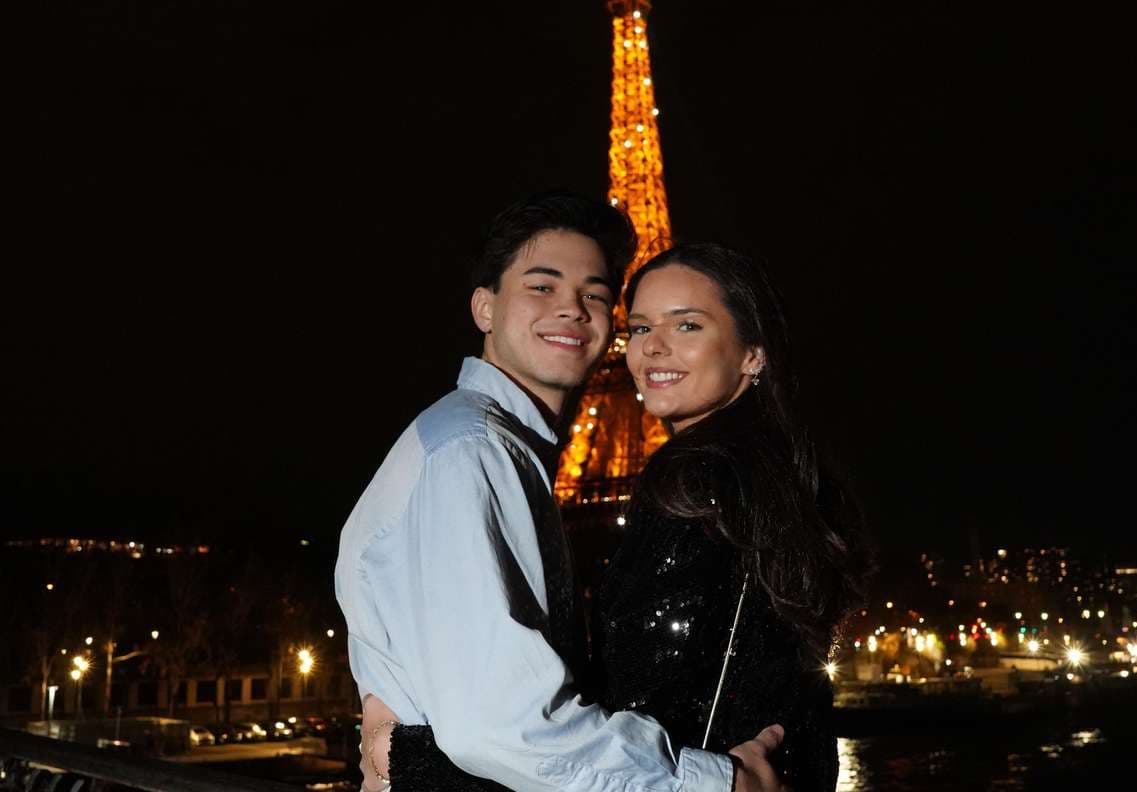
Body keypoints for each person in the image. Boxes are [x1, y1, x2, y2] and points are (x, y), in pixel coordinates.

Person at [365, 242, 873, 790]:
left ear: (753, 352)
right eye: (639, 328)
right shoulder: (784, 479)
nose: (653, 347)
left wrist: (409, 757)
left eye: (687, 327)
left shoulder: (692, 484)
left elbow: (643, 711)